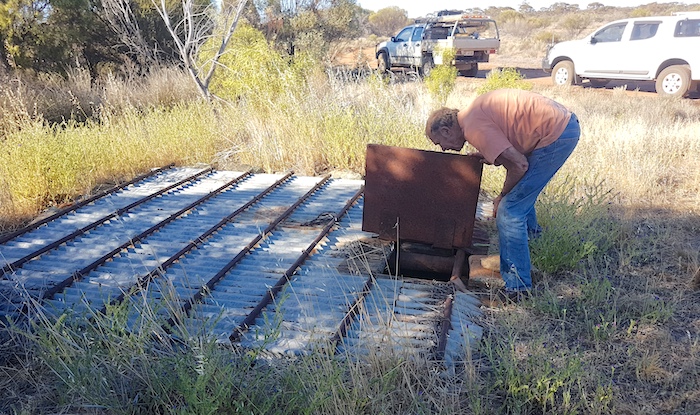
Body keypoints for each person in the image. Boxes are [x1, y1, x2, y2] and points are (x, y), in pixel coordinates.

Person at [425, 89, 580, 298]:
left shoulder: (473, 128)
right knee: (520, 198)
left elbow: (519, 165)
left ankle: (518, 288)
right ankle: (534, 247)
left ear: (445, 130)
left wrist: (500, 197)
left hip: (557, 134)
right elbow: (512, 148)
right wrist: (491, 155)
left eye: (439, 143)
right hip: (561, 125)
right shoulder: (472, 116)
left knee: (509, 212)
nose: (443, 149)